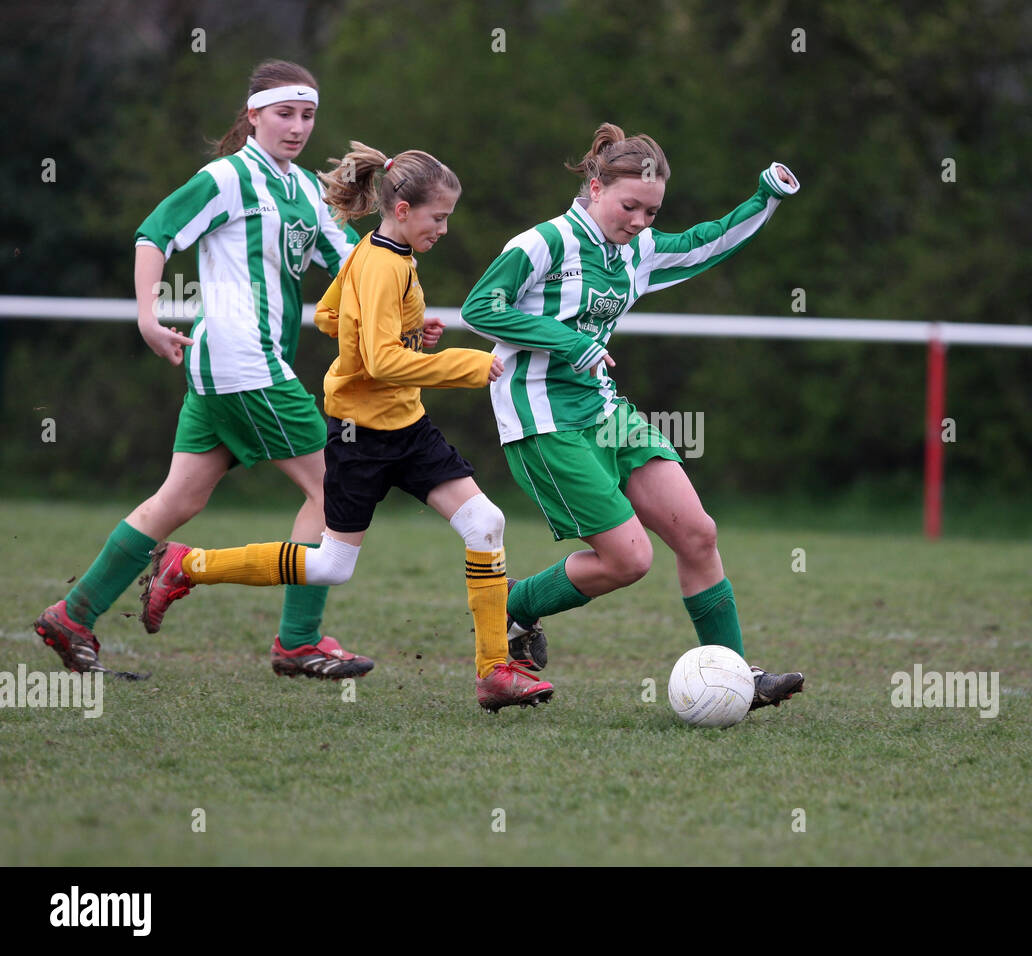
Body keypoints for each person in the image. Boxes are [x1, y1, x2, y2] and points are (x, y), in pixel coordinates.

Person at [137, 141, 554, 711]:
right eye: (439, 217)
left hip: (406, 425)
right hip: (363, 435)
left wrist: (408, 330)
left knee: (485, 522)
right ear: (403, 210)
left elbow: (333, 314)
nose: (445, 229)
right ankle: (189, 565)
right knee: (331, 565)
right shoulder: (382, 263)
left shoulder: (374, 252)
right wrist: (467, 364)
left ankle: (494, 672)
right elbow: (380, 363)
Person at [33, 59, 366, 680]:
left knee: (178, 498)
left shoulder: (303, 192)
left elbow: (354, 269)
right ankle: (298, 641)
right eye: (284, 113)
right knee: (337, 489)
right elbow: (154, 234)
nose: (297, 127)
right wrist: (146, 313)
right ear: (254, 115)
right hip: (244, 360)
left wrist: (401, 284)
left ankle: (73, 615)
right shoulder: (228, 177)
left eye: (307, 115)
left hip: (229, 366)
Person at [459, 123, 805, 710]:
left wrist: (764, 197)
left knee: (697, 534)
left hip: (603, 409)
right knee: (630, 559)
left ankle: (737, 677)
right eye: (630, 206)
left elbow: (708, 242)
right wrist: (566, 342)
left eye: (651, 210)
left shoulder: (635, 251)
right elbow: (480, 308)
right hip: (541, 417)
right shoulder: (541, 243)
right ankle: (513, 607)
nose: (642, 221)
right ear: (594, 186)